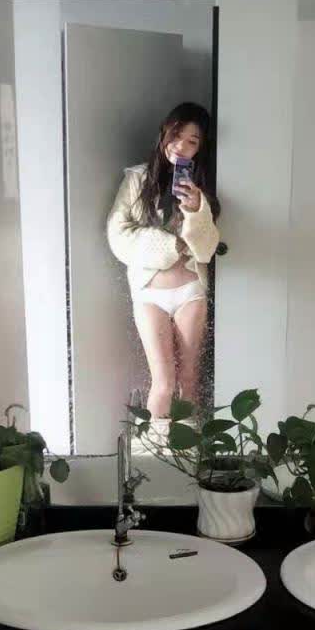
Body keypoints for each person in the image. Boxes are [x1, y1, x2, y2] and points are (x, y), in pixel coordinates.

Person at [107, 102, 220, 424]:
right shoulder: (137, 179)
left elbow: (206, 249)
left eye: (192, 141)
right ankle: (156, 452)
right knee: (163, 382)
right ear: (164, 134)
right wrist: (172, 244)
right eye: (176, 136)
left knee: (188, 381)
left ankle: (190, 452)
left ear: (200, 148)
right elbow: (117, 234)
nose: (181, 146)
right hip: (149, 293)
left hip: (190, 292)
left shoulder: (201, 187)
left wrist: (196, 210)